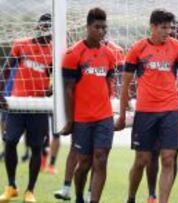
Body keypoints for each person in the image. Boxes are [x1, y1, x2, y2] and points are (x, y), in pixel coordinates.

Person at [116, 8, 178, 203]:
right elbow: (126, 84)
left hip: (170, 111)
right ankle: (131, 197)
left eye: (169, 28)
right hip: (145, 112)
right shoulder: (137, 49)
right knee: (142, 160)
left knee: (169, 158)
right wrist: (122, 114)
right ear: (152, 27)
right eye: (163, 27)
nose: (167, 32)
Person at [60, 7, 116, 203]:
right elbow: (67, 90)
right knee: (84, 163)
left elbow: (108, 84)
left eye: (104, 28)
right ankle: (78, 196)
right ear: (87, 27)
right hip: (82, 119)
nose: (101, 31)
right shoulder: (73, 54)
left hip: (104, 117)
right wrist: (70, 121)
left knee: (100, 159)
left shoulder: (110, 55)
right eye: (97, 27)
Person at [0, 13, 52, 203]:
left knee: (36, 147)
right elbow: (6, 69)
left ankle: (30, 191)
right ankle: (11, 186)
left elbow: (55, 78)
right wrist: (0, 92)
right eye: (44, 28)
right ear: (38, 27)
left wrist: (51, 91)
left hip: (39, 106)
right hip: (17, 104)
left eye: (50, 30)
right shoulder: (21, 44)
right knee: (10, 141)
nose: (47, 33)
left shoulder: (55, 50)